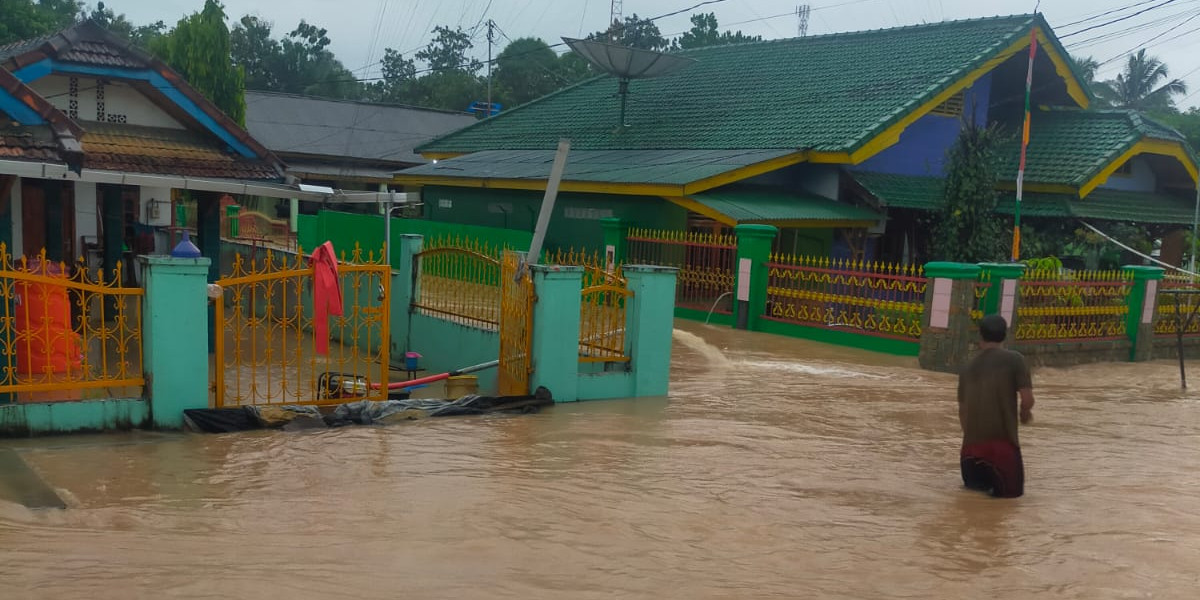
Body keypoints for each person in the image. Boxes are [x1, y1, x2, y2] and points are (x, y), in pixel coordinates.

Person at [957, 314, 1035, 498]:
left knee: (973, 509)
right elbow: (1027, 399)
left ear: (980, 336)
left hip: (969, 454)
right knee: (1008, 508)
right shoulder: (1015, 360)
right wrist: (1025, 413)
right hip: (1002, 452)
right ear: (1004, 335)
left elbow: (963, 413)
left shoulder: (967, 368)